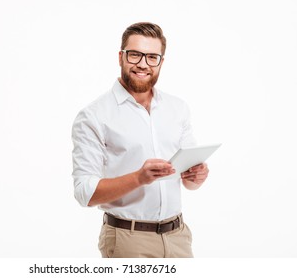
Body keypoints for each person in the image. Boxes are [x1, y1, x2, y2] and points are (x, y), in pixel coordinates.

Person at [71, 22, 209, 258]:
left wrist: (197, 176)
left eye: (152, 57)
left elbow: (189, 182)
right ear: (121, 57)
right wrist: (138, 178)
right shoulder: (94, 116)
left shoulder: (178, 108)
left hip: (178, 237)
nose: (143, 64)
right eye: (135, 54)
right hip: (128, 241)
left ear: (161, 62)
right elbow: (85, 193)